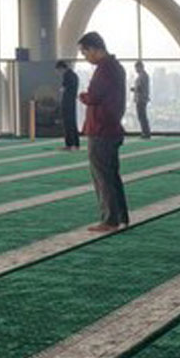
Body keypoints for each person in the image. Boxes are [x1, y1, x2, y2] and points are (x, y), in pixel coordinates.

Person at [77, 31, 130, 233]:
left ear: (94, 49)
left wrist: (84, 96)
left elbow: (94, 96)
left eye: (85, 52)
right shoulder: (116, 67)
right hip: (111, 128)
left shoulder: (105, 69)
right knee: (111, 175)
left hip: (101, 130)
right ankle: (120, 216)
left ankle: (109, 220)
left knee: (103, 177)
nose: (85, 57)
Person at [55, 60, 80, 151]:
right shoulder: (73, 75)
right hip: (72, 102)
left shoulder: (67, 75)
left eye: (58, 70)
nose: (59, 73)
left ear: (62, 68)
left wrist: (61, 90)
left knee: (68, 123)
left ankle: (70, 144)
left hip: (67, 102)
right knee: (72, 123)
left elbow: (63, 89)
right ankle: (75, 144)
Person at [131, 61, 151, 139]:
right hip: (142, 98)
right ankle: (146, 132)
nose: (135, 70)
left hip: (141, 99)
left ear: (140, 67)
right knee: (142, 116)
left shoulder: (142, 76)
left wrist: (134, 89)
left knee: (142, 116)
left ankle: (145, 133)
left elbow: (140, 88)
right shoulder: (144, 75)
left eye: (136, 68)